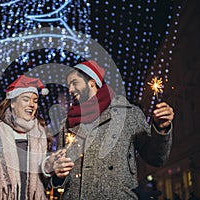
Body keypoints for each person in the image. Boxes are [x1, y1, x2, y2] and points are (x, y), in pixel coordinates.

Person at [42, 60, 174, 199]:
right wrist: (58, 174)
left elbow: (156, 158)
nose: (70, 89)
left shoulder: (129, 114)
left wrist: (161, 129)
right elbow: (63, 172)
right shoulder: (67, 123)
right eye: (69, 85)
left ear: (92, 82)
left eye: (74, 83)